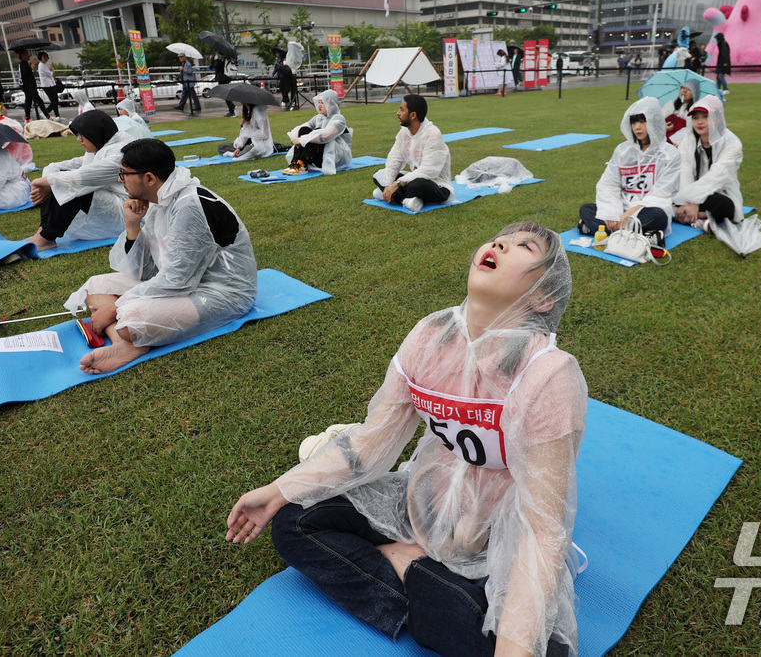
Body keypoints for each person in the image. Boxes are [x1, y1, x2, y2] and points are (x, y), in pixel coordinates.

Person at [226, 221, 585, 657]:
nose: (498, 244)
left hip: (495, 529)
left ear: (544, 296)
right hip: (426, 497)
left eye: (522, 247)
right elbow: (371, 442)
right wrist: (279, 490)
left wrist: (517, 643)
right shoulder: (430, 336)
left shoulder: (548, 374)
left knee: (537, 648)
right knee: (293, 521)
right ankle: (425, 581)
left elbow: (542, 526)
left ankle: (407, 566)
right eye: (498, 240)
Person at [64, 138, 257, 374]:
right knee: (94, 287)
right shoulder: (161, 199)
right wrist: (133, 225)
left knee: (131, 318)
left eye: (124, 173)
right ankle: (124, 343)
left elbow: (177, 281)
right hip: (185, 283)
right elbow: (148, 271)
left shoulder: (189, 206)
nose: (120, 179)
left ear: (149, 179)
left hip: (223, 292)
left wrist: (115, 307)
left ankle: (125, 337)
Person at [23, 110, 133, 250]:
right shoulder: (103, 146)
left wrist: (43, 182)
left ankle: (46, 237)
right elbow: (64, 166)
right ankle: (43, 232)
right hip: (113, 202)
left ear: (95, 133)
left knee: (71, 184)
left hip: (128, 212)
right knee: (60, 180)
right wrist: (48, 181)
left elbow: (85, 177)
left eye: (82, 135)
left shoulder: (121, 153)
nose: (79, 139)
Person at [579, 97, 682, 240]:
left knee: (658, 216)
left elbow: (662, 192)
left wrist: (629, 214)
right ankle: (642, 234)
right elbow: (609, 183)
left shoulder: (670, 154)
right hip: (622, 206)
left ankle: (599, 229)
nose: (637, 127)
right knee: (586, 209)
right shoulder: (623, 150)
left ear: (654, 121)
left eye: (642, 121)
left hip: (647, 209)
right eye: (633, 122)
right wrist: (612, 214)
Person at [672, 95, 743, 230]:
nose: (700, 122)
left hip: (716, 191)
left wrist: (694, 202)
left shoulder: (732, 143)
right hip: (687, 192)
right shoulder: (688, 141)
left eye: (705, 116)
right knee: (665, 192)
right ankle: (698, 218)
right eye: (696, 118)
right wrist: (688, 201)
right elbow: (684, 172)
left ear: (718, 118)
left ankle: (682, 214)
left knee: (725, 205)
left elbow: (716, 177)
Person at [372, 94, 451, 213]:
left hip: (435, 184)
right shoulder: (404, 132)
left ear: (413, 115)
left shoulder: (432, 134)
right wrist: (388, 185)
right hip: (413, 177)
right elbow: (394, 159)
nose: (397, 113)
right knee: (379, 174)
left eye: (402, 109)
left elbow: (429, 170)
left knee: (417, 185)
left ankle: (395, 196)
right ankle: (407, 200)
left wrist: (397, 185)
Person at [282, 89, 352, 175]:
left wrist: (301, 140)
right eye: (319, 102)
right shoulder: (319, 117)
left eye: (323, 103)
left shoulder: (339, 119)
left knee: (316, 133)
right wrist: (295, 138)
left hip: (337, 156)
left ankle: (303, 163)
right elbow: (302, 127)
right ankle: (296, 162)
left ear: (332, 105)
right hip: (321, 153)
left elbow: (326, 136)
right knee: (305, 130)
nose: (319, 105)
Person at [15, 49, 46, 122]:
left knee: (28, 101)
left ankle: (27, 117)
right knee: (38, 100)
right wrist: (33, 63)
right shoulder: (23, 63)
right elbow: (28, 72)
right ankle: (46, 114)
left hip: (29, 85)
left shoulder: (24, 63)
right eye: (27, 54)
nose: (29, 56)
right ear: (23, 55)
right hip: (28, 86)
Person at [37, 51, 61, 119]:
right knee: (54, 101)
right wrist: (52, 68)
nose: (46, 58)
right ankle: (45, 113)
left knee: (55, 101)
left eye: (46, 56)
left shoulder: (44, 65)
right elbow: (50, 74)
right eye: (44, 57)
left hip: (50, 84)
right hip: (47, 85)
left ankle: (57, 115)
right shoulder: (41, 65)